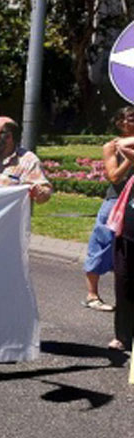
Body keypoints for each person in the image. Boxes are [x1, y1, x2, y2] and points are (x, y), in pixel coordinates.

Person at [83, 107, 134, 315]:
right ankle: (92, 294)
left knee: (126, 253)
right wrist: (130, 161)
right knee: (102, 244)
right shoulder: (112, 147)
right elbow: (113, 176)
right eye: (129, 118)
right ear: (120, 122)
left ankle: (124, 299)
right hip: (115, 201)